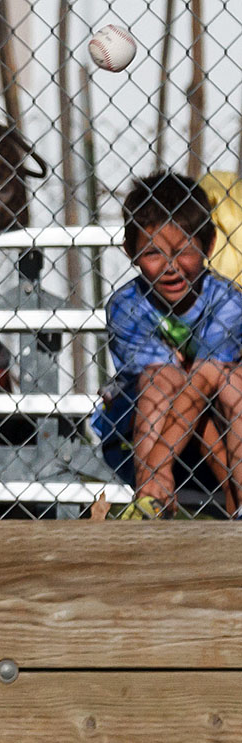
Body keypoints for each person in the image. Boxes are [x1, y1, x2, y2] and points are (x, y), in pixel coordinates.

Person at [93, 170, 242, 519]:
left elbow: (207, 378)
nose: (171, 268)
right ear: (130, 252)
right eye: (153, 253)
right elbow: (164, 377)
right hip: (145, 421)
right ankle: (155, 494)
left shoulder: (228, 301)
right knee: (162, 380)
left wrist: (159, 461)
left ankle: (155, 490)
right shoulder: (127, 305)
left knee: (228, 382)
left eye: (183, 251)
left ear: (208, 245)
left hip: (211, 419)